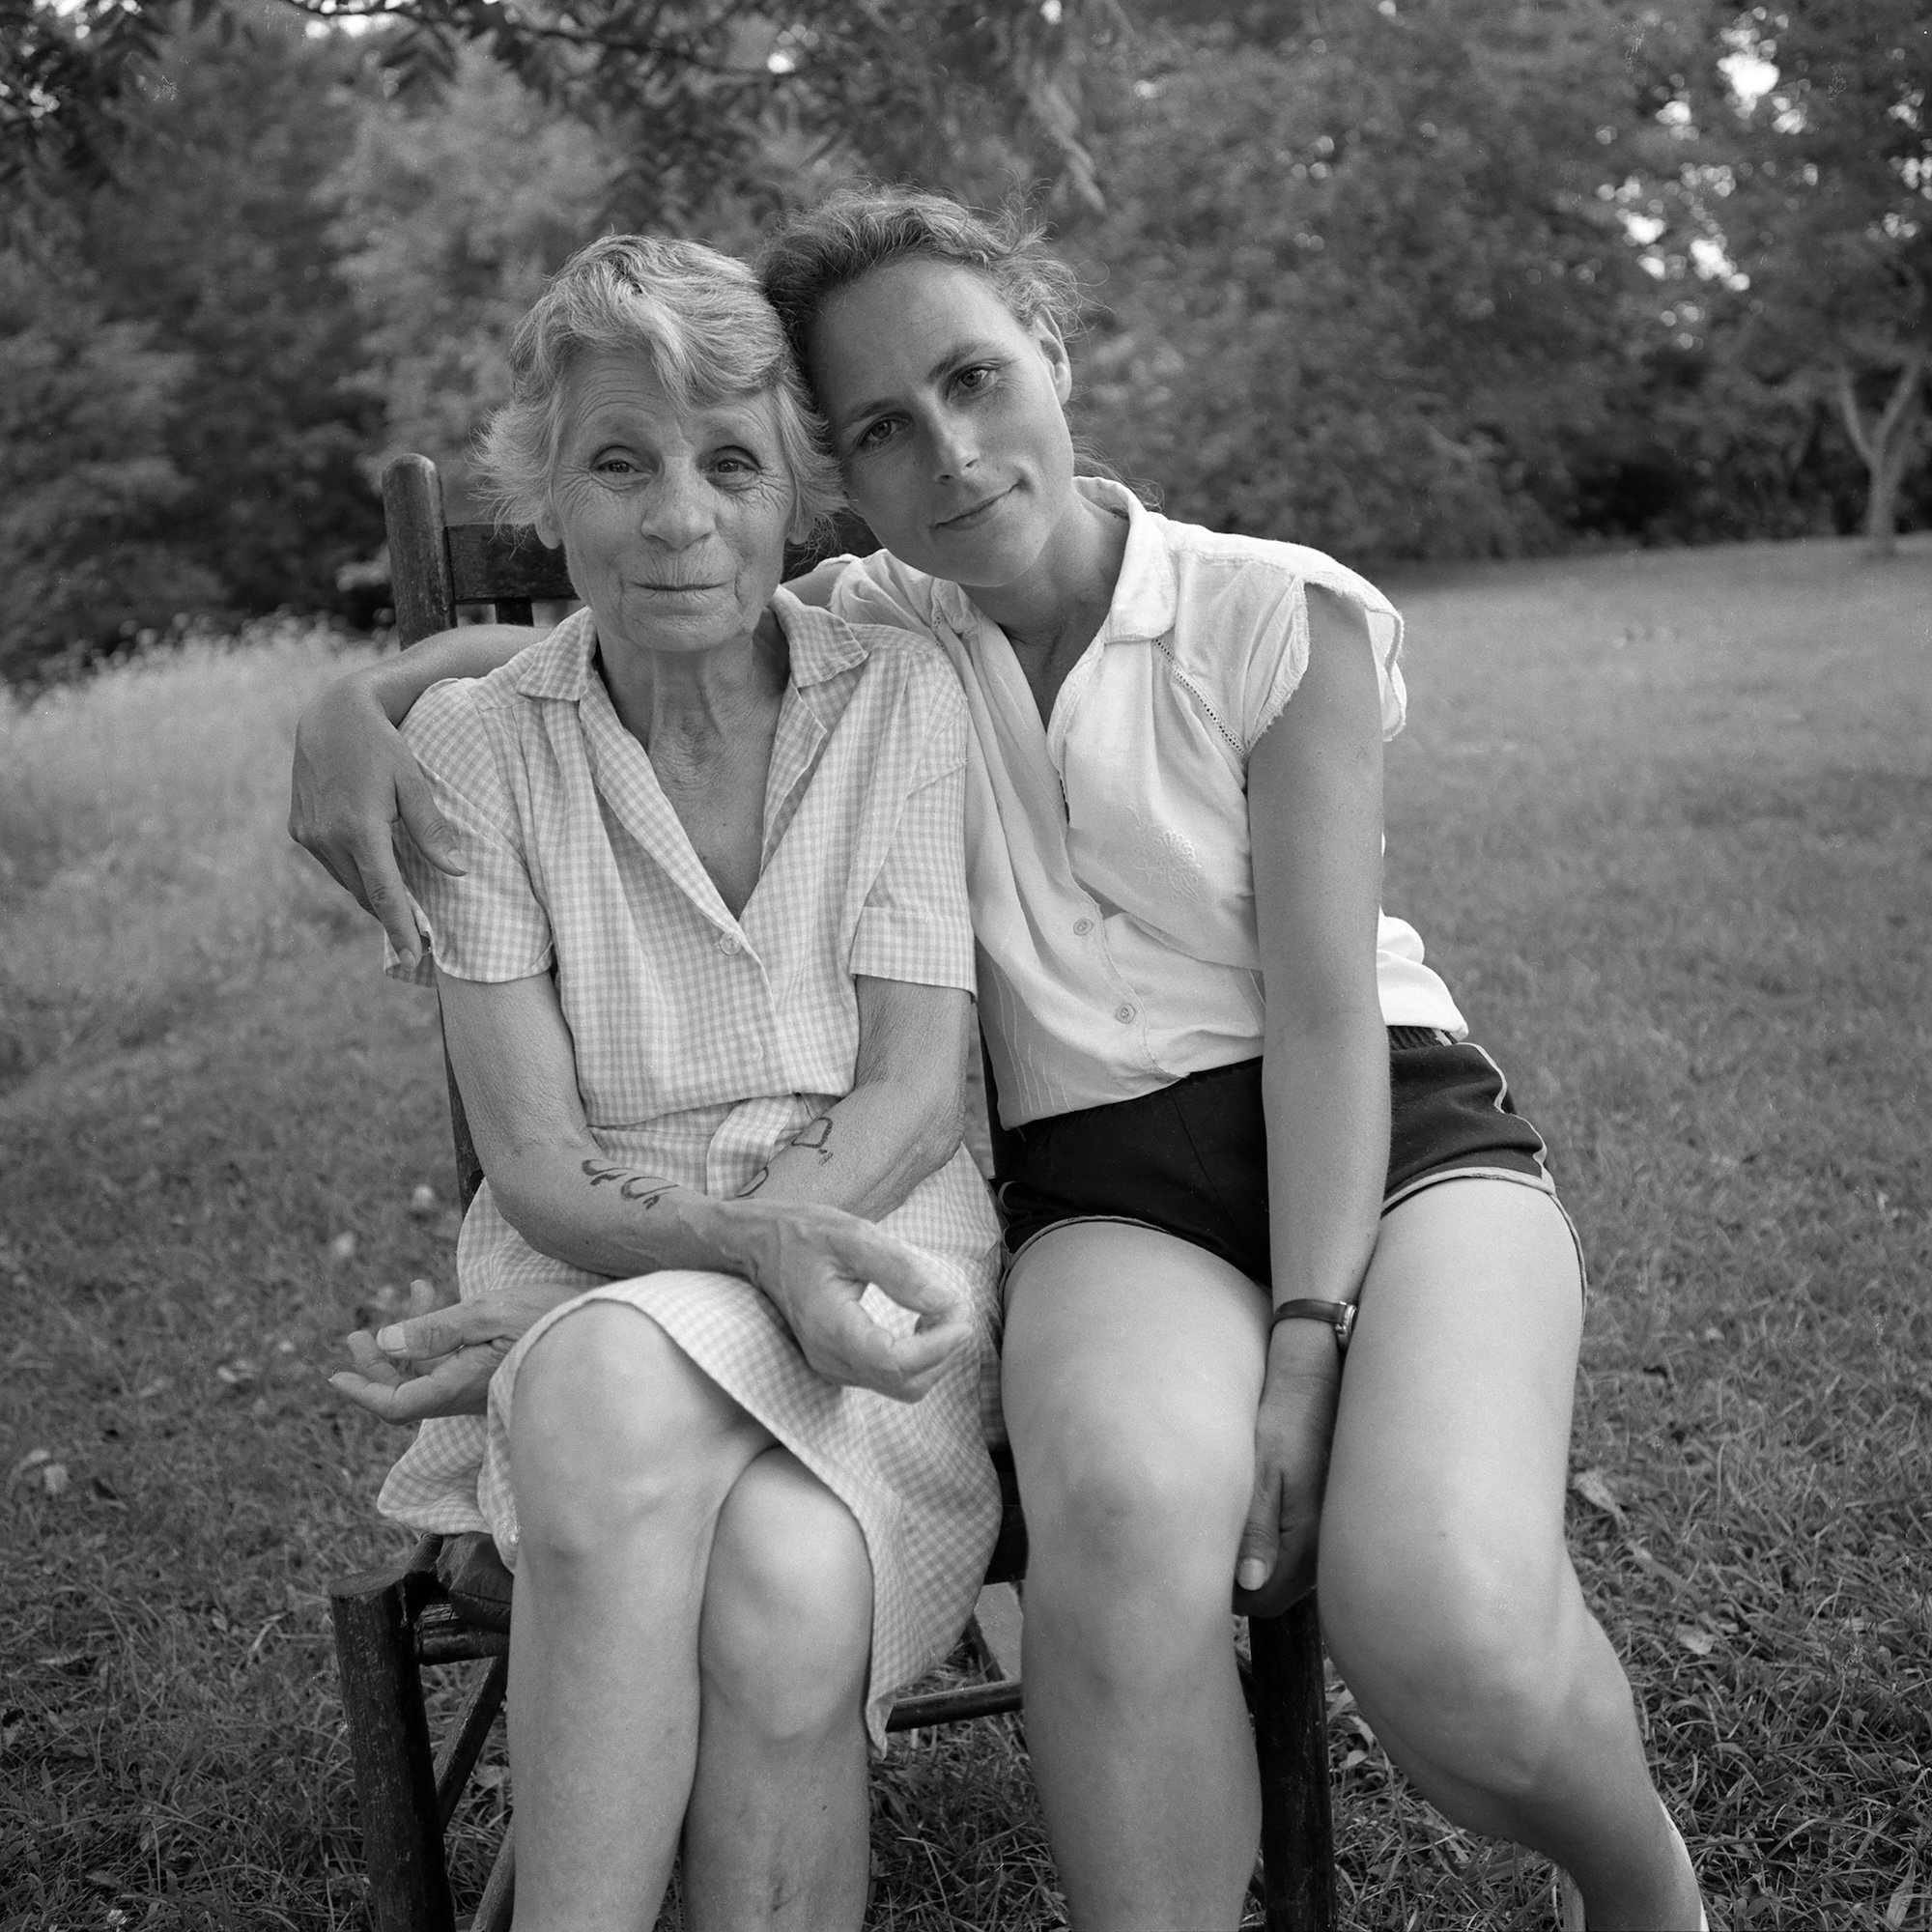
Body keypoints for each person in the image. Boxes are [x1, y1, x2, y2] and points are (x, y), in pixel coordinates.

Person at [297, 191, 1705, 1931]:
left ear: (1052, 345)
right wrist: (342, 710)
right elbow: (583, 641)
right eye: (883, 428)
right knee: (1117, 1515)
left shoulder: (1272, 619)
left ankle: (1646, 1886)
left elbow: (1330, 1021)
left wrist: (1305, 1346)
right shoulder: (892, 621)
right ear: (847, 475)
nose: (950, 455)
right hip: (1107, 1188)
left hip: (1390, 1137)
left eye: (974, 377)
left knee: (1445, 1628)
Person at [324, 231, 1007, 1932]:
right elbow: (539, 1164)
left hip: (880, 1263)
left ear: (798, 498)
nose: (678, 519)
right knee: (756, 1563)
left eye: (729, 464)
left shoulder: (898, 698)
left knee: (625, 1422)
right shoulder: (478, 754)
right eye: (619, 463)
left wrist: (777, 1256)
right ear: (550, 493)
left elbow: (915, 1094)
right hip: (605, 1259)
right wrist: (744, 1258)